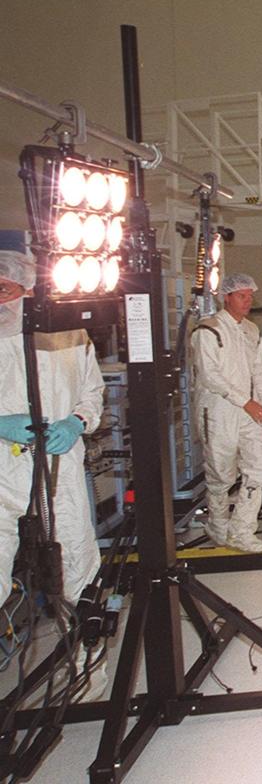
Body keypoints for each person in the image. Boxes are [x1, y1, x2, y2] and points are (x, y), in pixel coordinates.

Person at [0, 250, 104, 606]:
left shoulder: (69, 334)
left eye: (3, 290)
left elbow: (93, 392)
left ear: (30, 291)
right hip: (3, 469)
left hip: (58, 467)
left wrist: (76, 422)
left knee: (78, 563)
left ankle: (88, 658)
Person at [191, 273, 262, 553]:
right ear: (226, 296)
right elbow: (210, 376)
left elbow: (259, 373)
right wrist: (245, 401)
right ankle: (218, 525)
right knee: (221, 476)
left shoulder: (251, 331)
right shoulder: (208, 331)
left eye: (250, 296)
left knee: (259, 471)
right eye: (242, 296)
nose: (247, 301)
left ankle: (242, 530)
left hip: (251, 411)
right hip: (218, 411)